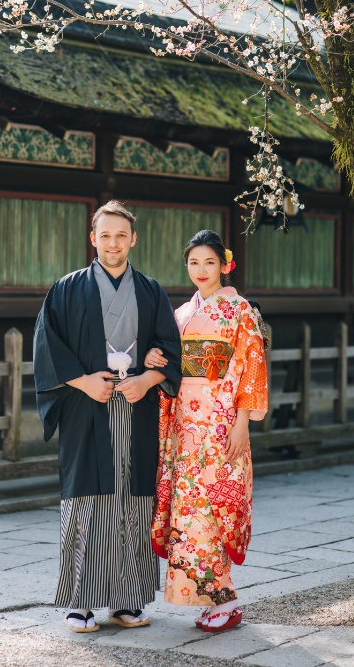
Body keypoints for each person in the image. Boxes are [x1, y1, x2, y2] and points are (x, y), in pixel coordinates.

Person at [33, 200, 182, 633]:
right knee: (85, 500)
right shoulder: (67, 288)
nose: (113, 243)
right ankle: (80, 601)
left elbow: (170, 349)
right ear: (92, 238)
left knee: (134, 501)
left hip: (136, 409)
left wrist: (150, 378)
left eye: (121, 235)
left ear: (133, 239)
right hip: (86, 407)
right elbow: (47, 347)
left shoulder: (151, 290)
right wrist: (82, 382)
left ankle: (127, 599)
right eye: (105, 235)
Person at [147, 229, 268, 633]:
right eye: (194, 262)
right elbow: (167, 361)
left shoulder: (239, 310)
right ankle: (211, 598)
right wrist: (154, 355)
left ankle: (224, 598)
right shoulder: (181, 313)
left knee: (214, 508)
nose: (201, 270)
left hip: (220, 423)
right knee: (190, 510)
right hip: (185, 424)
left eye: (209, 262)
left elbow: (251, 367)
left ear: (225, 265)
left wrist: (242, 424)